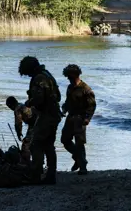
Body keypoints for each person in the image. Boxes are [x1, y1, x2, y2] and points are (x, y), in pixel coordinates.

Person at [19, 56, 62, 184]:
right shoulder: (47, 74)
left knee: (36, 144)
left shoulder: (39, 78)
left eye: (27, 73)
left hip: (47, 115)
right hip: (54, 114)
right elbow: (58, 96)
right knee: (49, 145)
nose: (28, 75)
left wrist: (29, 102)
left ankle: (36, 175)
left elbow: (39, 99)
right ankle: (51, 175)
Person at [61, 64, 96, 175]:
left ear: (76, 75)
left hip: (80, 118)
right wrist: (64, 110)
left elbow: (92, 105)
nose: (68, 78)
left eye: (70, 76)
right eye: (67, 76)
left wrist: (87, 118)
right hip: (70, 117)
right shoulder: (70, 87)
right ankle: (78, 158)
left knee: (79, 142)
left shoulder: (86, 89)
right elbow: (67, 102)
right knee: (65, 140)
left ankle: (83, 167)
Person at [6, 96, 38, 165]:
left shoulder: (17, 109)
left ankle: (26, 163)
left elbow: (18, 123)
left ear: (11, 105)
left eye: (9, 107)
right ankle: (35, 162)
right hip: (36, 123)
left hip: (35, 124)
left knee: (26, 144)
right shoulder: (21, 105)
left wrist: (19, 133)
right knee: (35, 143)